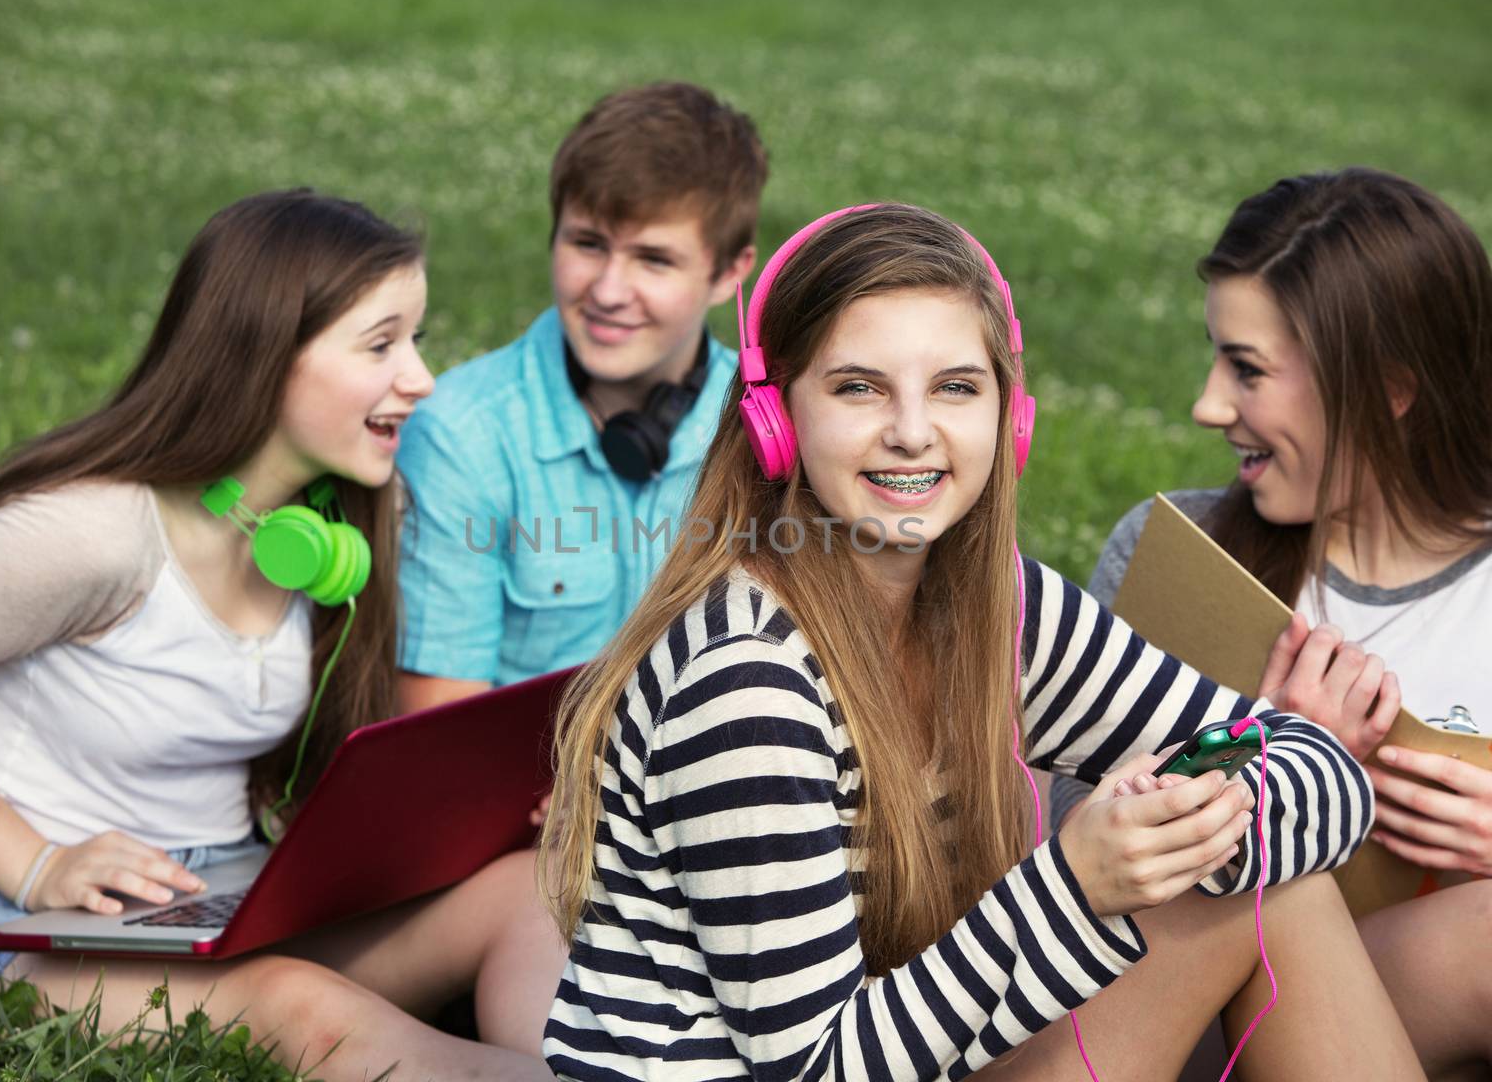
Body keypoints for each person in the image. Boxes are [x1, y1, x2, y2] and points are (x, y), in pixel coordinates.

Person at [536, 203, 1423, 1080]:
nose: (914, 432)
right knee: (1256, 892)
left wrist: (1192, 825)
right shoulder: (744, 682)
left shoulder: (1006, 608)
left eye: (956, 387)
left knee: (1271, 890)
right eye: (859, 387)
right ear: (775, 421)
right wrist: (1077, 884)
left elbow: (1320, 771)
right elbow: (815, 1071)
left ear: (1012, 416)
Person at [0, 190, 565, 1081]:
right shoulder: (94, 534)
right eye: (381, 344)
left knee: (534, 887)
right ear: (265, 354)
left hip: (229, 896)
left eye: (418, 341)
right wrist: (35, 863)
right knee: (300, 1010)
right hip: (14, 919)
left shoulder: (332, 530)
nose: (420, 378)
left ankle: (586, 1062)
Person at [1061, 168, 1492, 1080]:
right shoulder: (1177, 559)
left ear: (1388, 390)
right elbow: (1073, 867)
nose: (1209, 407)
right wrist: (1269, 758)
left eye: (1247, 370)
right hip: (1176, 1010)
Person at [395, 81, 766, 715]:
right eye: (588, 244)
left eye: (654, 259)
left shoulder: (771, 427)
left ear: (729, 274)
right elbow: (440, 720)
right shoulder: (458, 433)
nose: (609, 290)